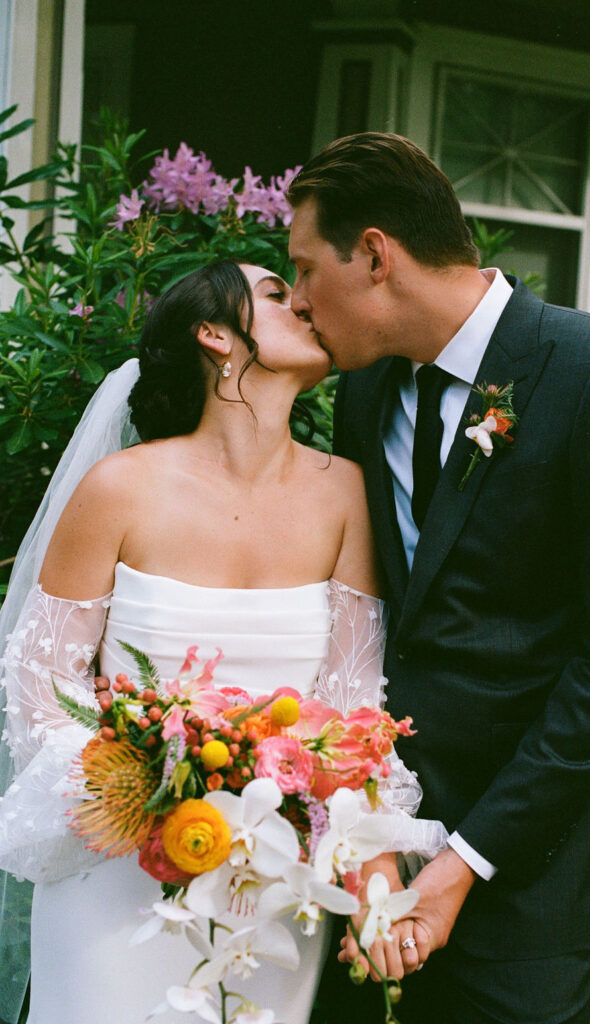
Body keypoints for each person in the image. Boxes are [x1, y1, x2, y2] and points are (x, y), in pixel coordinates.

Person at [286, 132, 590, 1024]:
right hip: (370, 847)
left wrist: (469, 859)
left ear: (376, 255)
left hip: (526, 858)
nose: (300, 300)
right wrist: (364, 830)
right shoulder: (364, 390)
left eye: (304, 268)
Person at [0, 259, 446, 1024]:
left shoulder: (345, 492)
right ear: (214, 333)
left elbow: (350, 702)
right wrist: (148, 792)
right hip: (117, 863)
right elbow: (41, 678)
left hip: (272, 874)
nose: (302, 301)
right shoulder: (119, 487)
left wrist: (354, 847)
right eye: (275, 294)